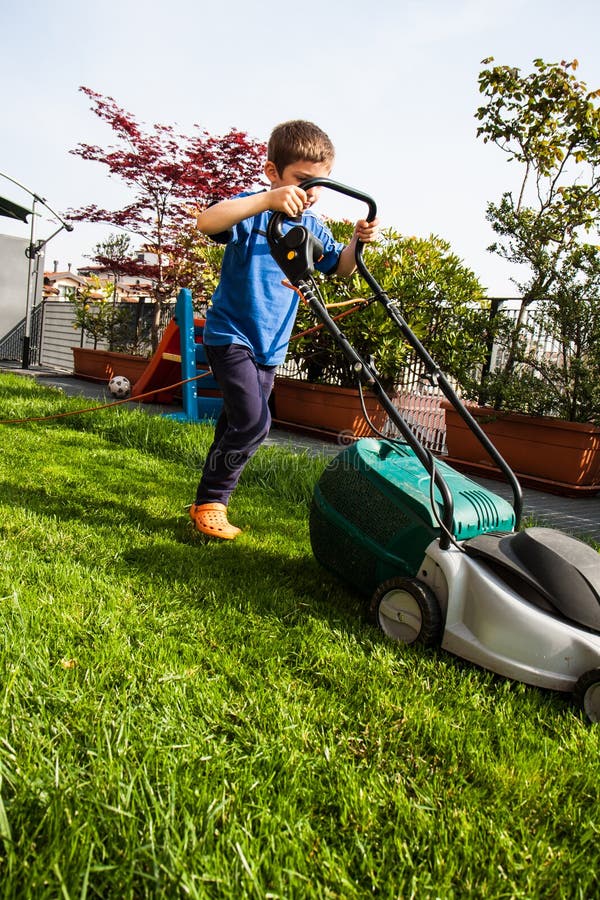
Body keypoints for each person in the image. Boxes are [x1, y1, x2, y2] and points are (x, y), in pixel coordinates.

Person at [190, 119, 379, 540]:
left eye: (319, 184)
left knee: (236, 424)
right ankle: (213, 500)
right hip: (231, 336)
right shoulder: (252, 211)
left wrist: (356, 242)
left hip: (270, 347)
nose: (310, 192)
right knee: (255, 422)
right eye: (301, 180)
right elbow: (206, 222)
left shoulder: (313, 228)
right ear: (273, 172)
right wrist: (265, 200)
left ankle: (206, 502)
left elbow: (341, 268)